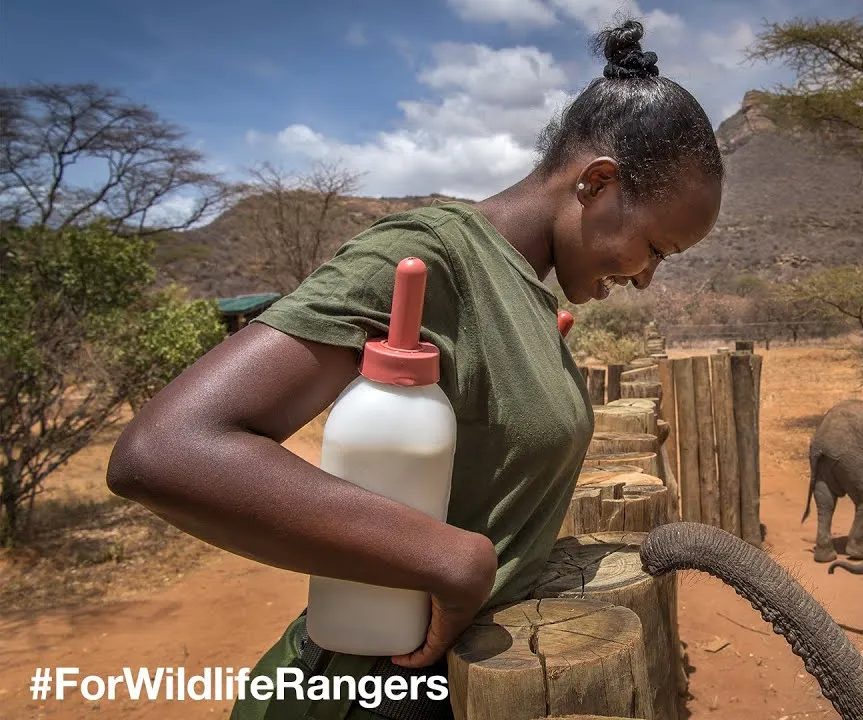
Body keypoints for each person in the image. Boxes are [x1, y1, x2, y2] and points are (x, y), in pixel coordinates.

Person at [105, 17, 723, 720]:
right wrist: (448, 560)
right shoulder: (433, 255)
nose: (647, 278)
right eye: (656, 248)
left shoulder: (521, 288)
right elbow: (165, 450)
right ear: (599, 183)